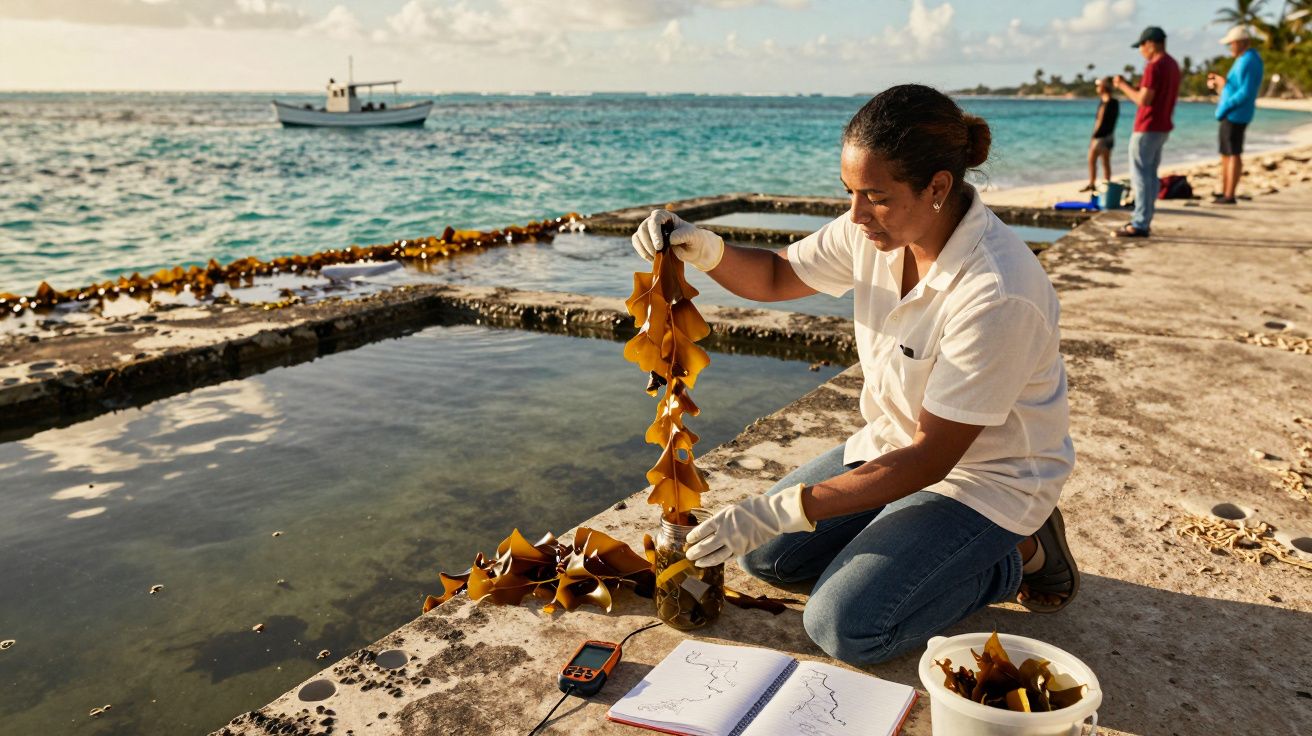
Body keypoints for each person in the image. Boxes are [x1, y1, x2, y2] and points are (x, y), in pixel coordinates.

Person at [630, 85, 1078, 666]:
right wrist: (704, 249)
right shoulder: (873, 231)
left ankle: (1017, 556)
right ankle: (916, 542)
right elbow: (775, 276)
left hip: (984, 479)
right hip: (892, 447)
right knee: (766, 559)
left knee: (846, 626)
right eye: (849, 192)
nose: (857, 214)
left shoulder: (996, 292)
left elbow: (930, 459)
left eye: (876, 197)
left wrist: (775, 509)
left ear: (937, 187)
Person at [1112, 26, 1180, 238]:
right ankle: (1144, 219)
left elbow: (1144, 100)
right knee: (1150, 175)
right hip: (1162, 127)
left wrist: (1122, 85)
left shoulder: (1154, 66)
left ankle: (1140, 222)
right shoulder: (1172, 64)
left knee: (1140, 176)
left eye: (1141, 46)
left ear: (1150, 44)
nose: (1141, 51)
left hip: (1147, 126)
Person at [1208, 26, 1264, 205]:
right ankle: (1225, 191)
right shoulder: (1243, 59)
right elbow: (1235, 87)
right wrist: (1222, 84)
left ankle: (1229, 194)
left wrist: (1225, 107)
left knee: (1233, 153)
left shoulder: (1250, 60)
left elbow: (1246, 92)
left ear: (1240, 42)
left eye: (1231, 43)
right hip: (1231, 113)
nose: (1230, 47)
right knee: (1226, 152)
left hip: (1235, 114)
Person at [1082, 77, 1119, 193]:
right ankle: (1106, 184)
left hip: (1101, 136)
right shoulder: (1114, 102)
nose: (1097, 88)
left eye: (1099, 86)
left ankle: (1092, 183)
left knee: (1092, 159)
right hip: (1110, 136)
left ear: (1103, 87)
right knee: (1105, 162)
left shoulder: (1106, 103)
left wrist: (1094, 136)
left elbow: (1100, 121)